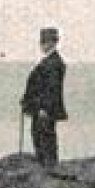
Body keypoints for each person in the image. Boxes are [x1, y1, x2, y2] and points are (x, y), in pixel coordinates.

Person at [21, 27, 67, 167]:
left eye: (46, 42)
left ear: (53, 43)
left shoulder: (54, 62)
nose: (42, 45)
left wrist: (44, 108)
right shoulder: (50, 61)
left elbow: (51, 89)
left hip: (44, 109)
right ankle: (46, 167)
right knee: (40, 136)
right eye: (42, 42)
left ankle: (49, 167)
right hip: (40, 108)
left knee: (45, 138)